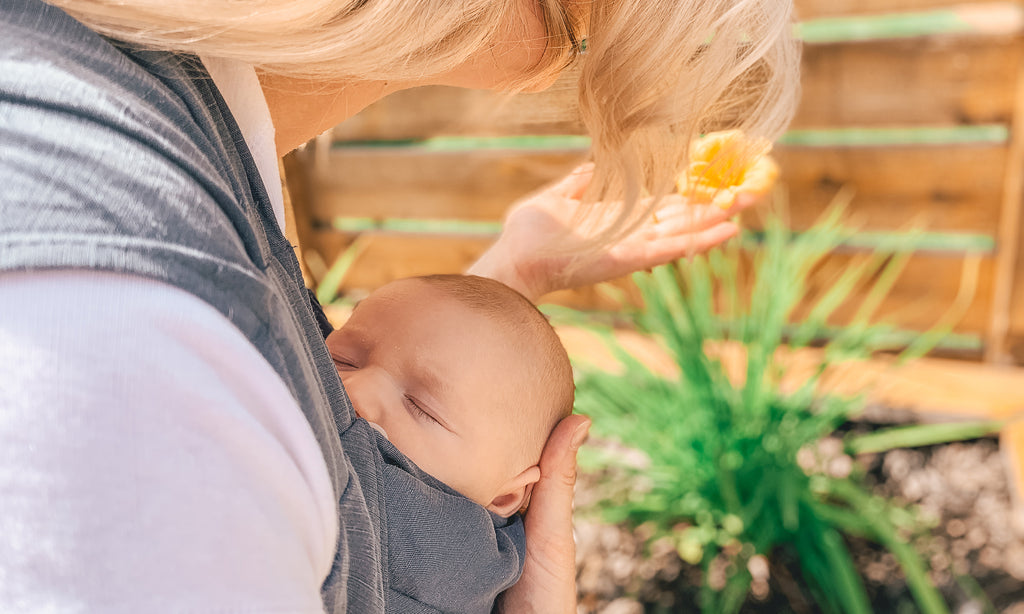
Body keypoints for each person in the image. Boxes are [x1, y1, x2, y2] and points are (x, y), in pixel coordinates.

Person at [0, 0, 799, 611]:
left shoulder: (142, 122)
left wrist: (505, 281)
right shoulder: (128, 333)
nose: (359, 389)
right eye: (589, 39)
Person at [321, 274, 573, 612]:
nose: (357, 390)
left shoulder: (454, 552)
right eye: (343, 358)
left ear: (505, 495)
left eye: (421, 408)